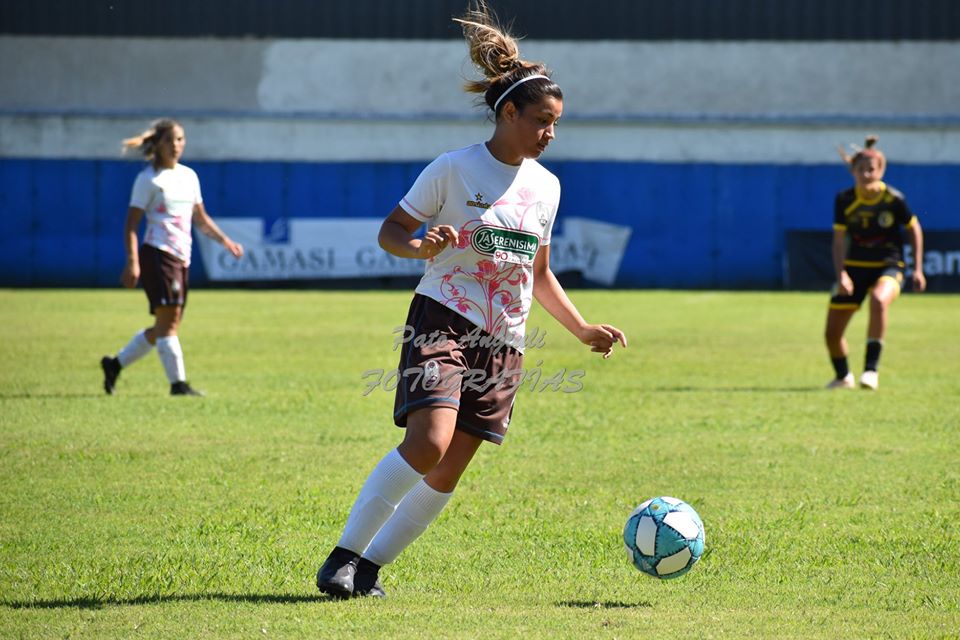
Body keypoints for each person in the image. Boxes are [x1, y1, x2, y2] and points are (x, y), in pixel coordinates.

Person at [314, 2, 627, 599]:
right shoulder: (453, 170)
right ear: (508, 112)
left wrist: (582, 328)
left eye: (556, 123)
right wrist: (419, 246)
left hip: (506, 339)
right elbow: (391, 232)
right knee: (428, 443)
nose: (551, 133)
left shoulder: (547, 187)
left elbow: (537, 271)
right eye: (542, 120)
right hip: (442, 319)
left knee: (451, 467)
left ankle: (370, 569)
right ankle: (341, 557)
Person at [100, 119, 243, 396]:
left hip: (182, 256)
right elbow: (131, 224)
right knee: (169, 322)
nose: (176, 146)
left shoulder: (188, 176)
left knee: (167, 324)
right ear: (158, 145)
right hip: (158, 254)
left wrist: (225, 241)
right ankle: (178, 384)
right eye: (170, 140)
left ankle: (114, 364)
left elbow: (200, 218)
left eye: (180, 140)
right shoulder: (148, 180)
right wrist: (133, 261)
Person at [824, 135, 925, 390]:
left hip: (888, 264)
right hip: (855, 268)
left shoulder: (893, 199)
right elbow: (838, 241)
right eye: (862, 169)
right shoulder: (845, 200)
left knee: (879, 300)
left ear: (881, 171)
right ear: (853, 171)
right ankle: (843, 376)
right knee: (832, 334)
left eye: (873, 169)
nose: (867, 174)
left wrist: (918, 268)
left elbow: (914, 229)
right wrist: (842, 275)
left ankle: (870, 371)